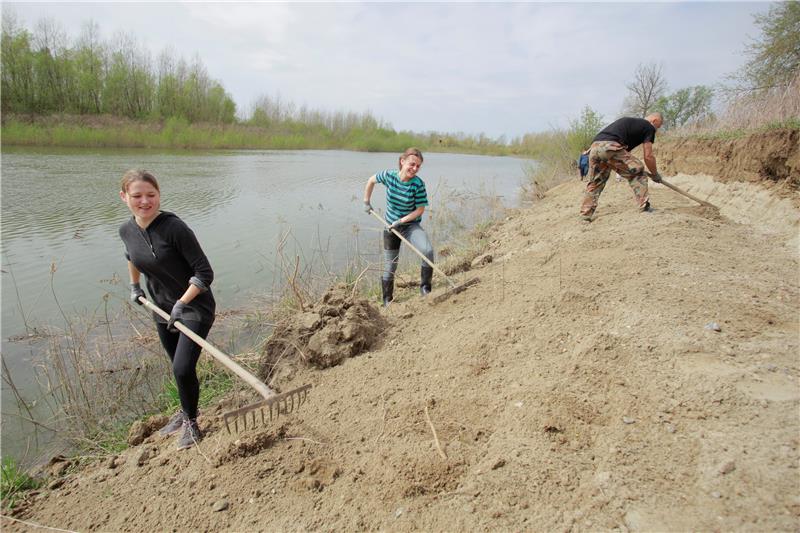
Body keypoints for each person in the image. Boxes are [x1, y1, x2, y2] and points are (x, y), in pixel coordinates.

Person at [118, 170, 215, 450]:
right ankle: (184, 411)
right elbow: (131, 256)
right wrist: (135, 286)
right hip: (161, 308)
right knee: (177, 366)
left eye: (151, 195)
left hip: (194, 307)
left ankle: (191, 423)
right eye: (137, 196)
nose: (145, 201)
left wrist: (182, 303)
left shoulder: (175, 228)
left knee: (183, 368)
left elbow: (204, 272)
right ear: (124, 197)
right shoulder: (126, 230)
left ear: (159, 195)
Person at [363, 147, 434, 306]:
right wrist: (366, 202)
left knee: (427, 251)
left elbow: (420, 209)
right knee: (390, 264)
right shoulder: (389, 176)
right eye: (412, 164)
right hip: (390, 228)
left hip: (410, 226)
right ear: (402, 161)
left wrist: (401, 221)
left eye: (418, 166)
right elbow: (371, 180)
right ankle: (387, 300)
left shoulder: (418, 184)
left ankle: (425, 288)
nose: (415, 169)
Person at [580, 112, 664, 221]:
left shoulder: (632, 125)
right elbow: (648, 156)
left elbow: (620, 157)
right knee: (638, 170)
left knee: (595, 182)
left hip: (594, 148)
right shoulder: (649, 127)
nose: (657, 129)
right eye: (659, 126)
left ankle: (585, 215)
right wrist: (655, 174)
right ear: (654, 121)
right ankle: (644, 207)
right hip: (609, 146)